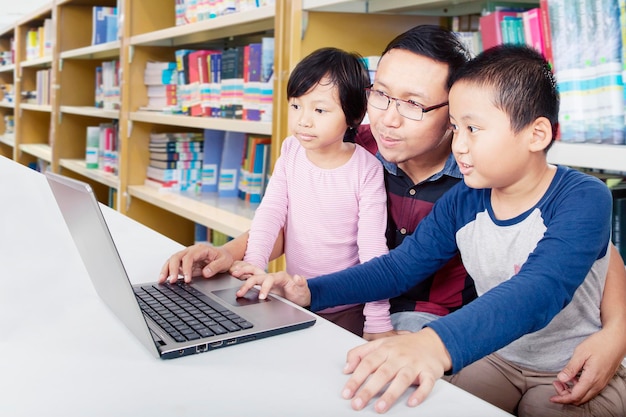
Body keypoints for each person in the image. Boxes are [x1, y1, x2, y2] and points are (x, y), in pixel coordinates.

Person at [160, 26, 626, 409]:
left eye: (413, 104)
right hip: (394, 328)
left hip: (457, 333)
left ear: (450, 113)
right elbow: (323, 228)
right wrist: (238, 257)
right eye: (380, 95)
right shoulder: (355, 146)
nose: (387, 119)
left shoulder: (488, 179)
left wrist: (618, 334)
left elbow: (574, 269)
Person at [172, 47, 390, 336]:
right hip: (291, 298)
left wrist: (377, 322)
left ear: (354, 115)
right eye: (296, 106)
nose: (303, 120)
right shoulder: (291, 151)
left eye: (320, 110)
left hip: (347, 307)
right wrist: (252, 265)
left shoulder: (367, 169)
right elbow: (271, 213)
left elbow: (373, 253)